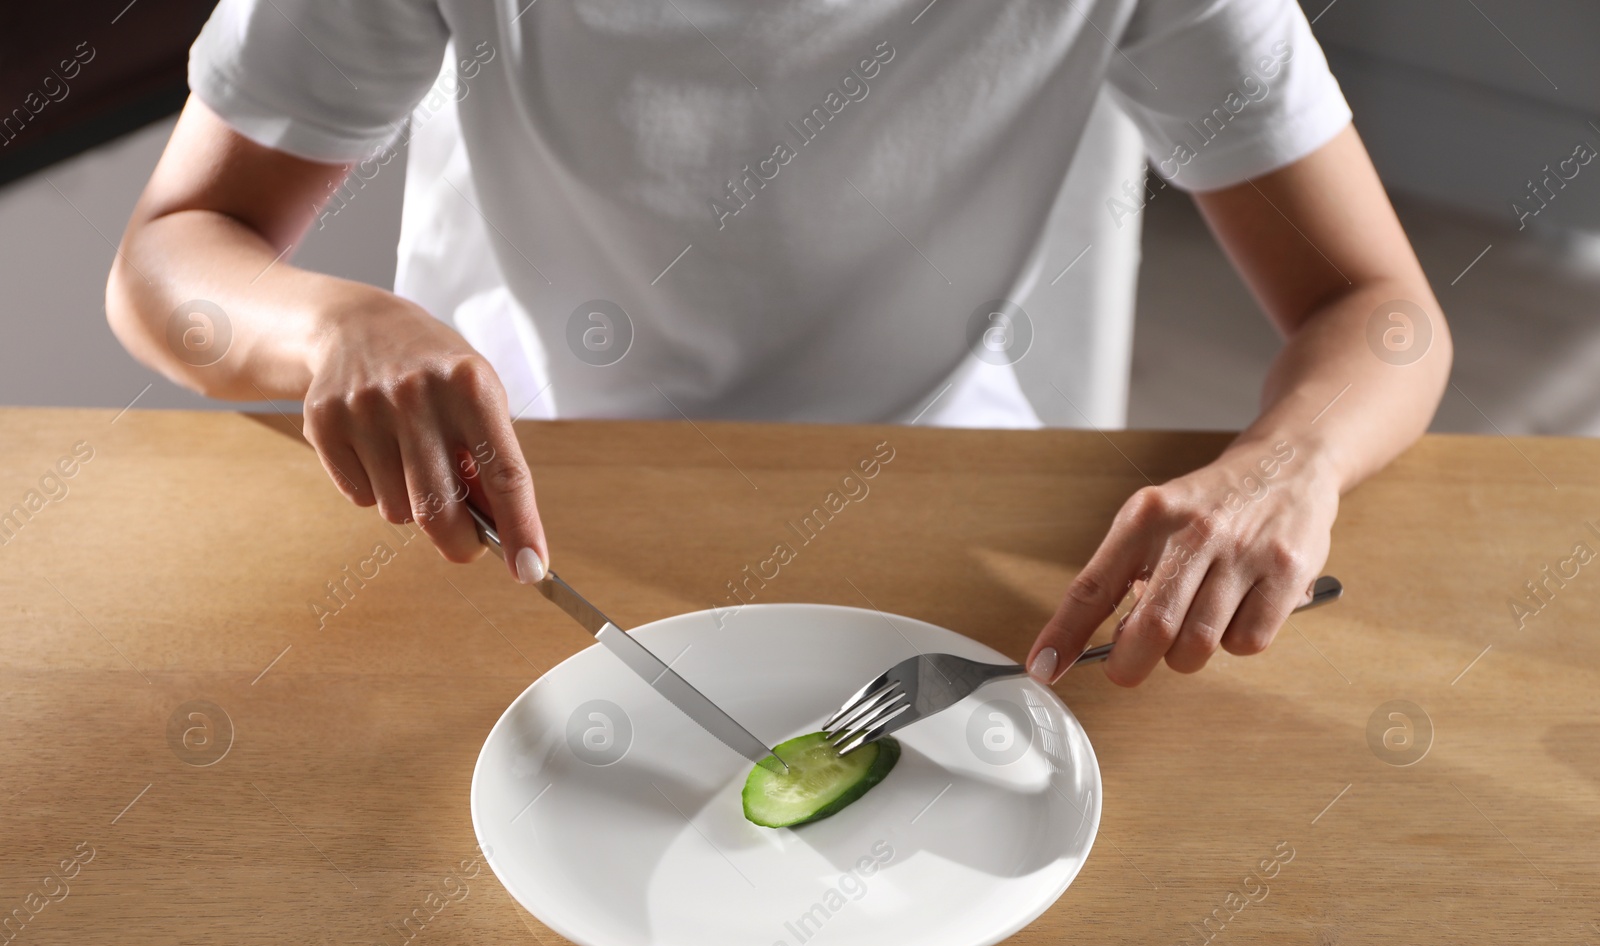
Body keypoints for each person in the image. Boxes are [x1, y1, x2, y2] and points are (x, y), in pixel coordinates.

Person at [106, 0, 1449, 688]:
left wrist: (1292, 461)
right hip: (507, 483)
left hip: (925, 477)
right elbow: (171, 255)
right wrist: (334, 327)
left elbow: (1379, 316)